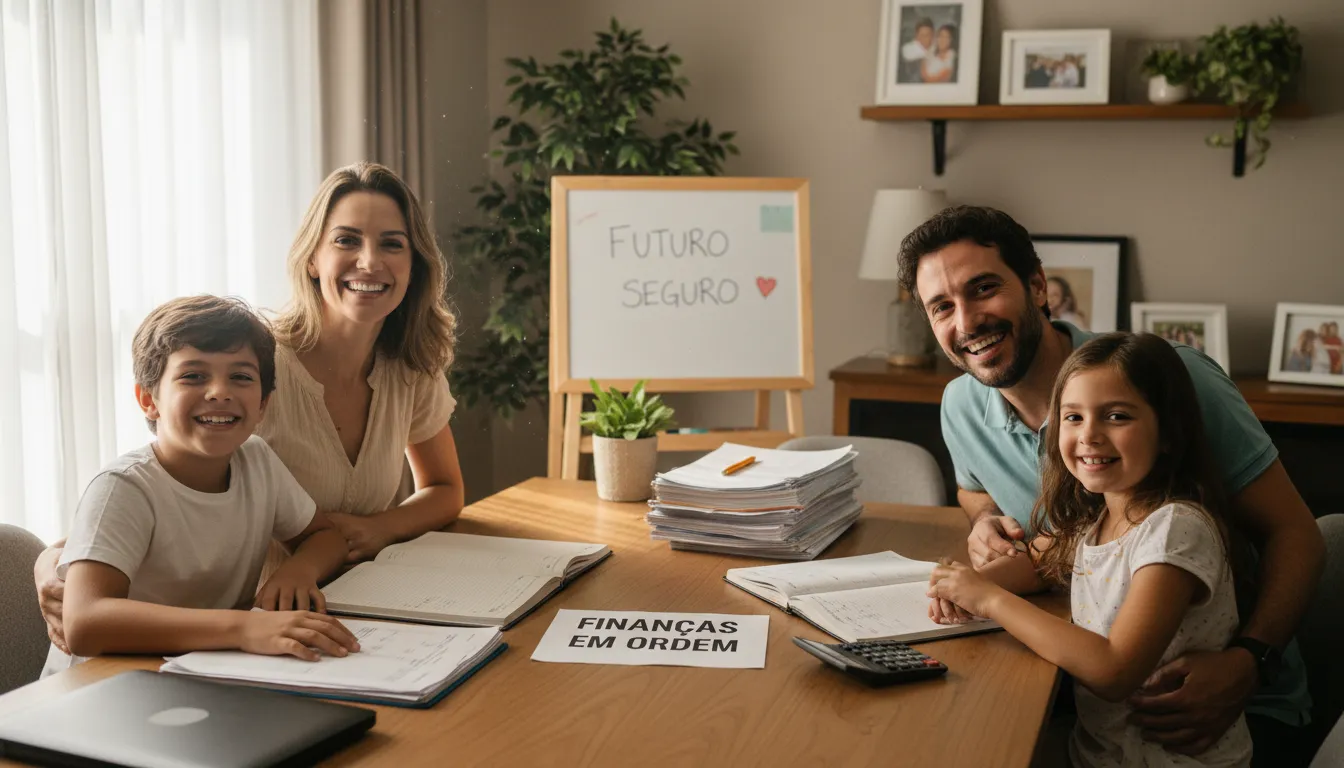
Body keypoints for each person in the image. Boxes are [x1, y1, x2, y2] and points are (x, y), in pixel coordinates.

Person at [897, 205, 1322, 765]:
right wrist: (984, 523)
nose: (967, 321)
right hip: (1089, 702)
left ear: (1038, 286)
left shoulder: (1170, 380)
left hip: (1223, 710)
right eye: (942, 307)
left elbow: (1298, 534)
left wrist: (1249, 660)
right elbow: (980, 495)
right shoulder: (960, 404)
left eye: (983, 289)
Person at [36, 161, 466, 653]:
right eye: (346, 240)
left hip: (354, 607)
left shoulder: (412, 364)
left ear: (415, 265)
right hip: (244, 627)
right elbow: (154, 483)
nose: (369, 261)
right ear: (312, 258)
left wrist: (375, 531)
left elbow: (444, 489)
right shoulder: (251, 364)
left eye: (392, 243)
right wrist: (46, 562)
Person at [928, 332, 1252, 767]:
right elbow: (1034, 567)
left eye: (1116, 416)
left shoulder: (1175, 529)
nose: (1089, 435)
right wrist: (963, 585)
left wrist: (988, 599)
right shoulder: (1094, 515)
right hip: (1101, 751)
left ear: (1169, 432)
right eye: (1073, 417)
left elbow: (1114, 670)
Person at [45, 296, 360, 676]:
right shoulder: (124, 487)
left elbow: (325, 536)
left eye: (241, 377)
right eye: (193, 376)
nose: (219, 392)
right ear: (148, 399)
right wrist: (243, 627)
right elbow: (85, 623)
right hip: (102, 686)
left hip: (202, 669)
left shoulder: (257, 459)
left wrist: (299, 570)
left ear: (262, 405)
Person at [900, 18, 935, 83]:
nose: (925, 39)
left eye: (927, 35)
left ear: (933, 35)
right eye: (922, 35)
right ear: (916, 36)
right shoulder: (907, 49)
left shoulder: (938, 46)